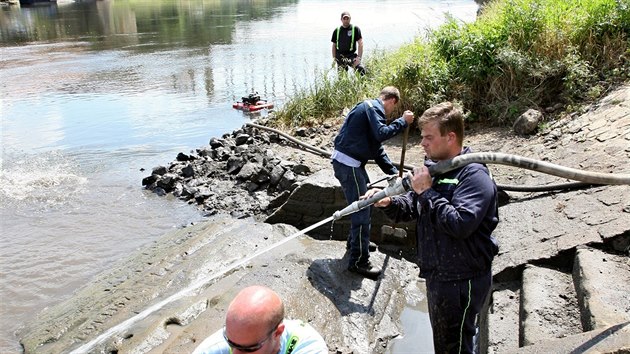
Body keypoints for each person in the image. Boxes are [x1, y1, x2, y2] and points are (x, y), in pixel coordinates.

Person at [366, 101, 499, 353]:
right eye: (421, 137)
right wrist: (388, 202)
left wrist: (426, 191)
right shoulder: (434, 169)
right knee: (445, 343)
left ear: (450, 137)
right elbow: (412, 206)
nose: (422, 143)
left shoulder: (473, 176)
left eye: (428, 137)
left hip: (462, 279)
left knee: (456, 346)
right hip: (439, 273)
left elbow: (460, 224)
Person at [331, 86, 414, 279]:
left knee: (366, 201)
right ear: (392, 100)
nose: (391, 113)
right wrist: (403, 121)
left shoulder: (369, 111)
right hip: (348, 164)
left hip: (350, 163)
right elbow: (381, 134)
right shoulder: (373, 108)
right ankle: (359, 261)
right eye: (394, 109)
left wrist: (394, 174)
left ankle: (356, 243)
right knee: (362, 208)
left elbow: (377, 150)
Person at [193, 285, 328, 354]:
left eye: (249, 349)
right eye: (231, 343)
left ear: (278, 332)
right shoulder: (211, 349)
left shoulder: (308, 346)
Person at [331, 11, 366, 75]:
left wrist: (359, 58)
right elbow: (334, 45)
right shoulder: (337, 30)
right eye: (344, 18)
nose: (346, 20)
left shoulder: (355, 29)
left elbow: (360, 43)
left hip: (351, 55)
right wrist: (334, 58)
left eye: (348, 18)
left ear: (350, 19)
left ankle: (362, 84)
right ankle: (345, 85)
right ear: (341, 19)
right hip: (340, 56)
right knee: (342, 77)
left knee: (360, 69)